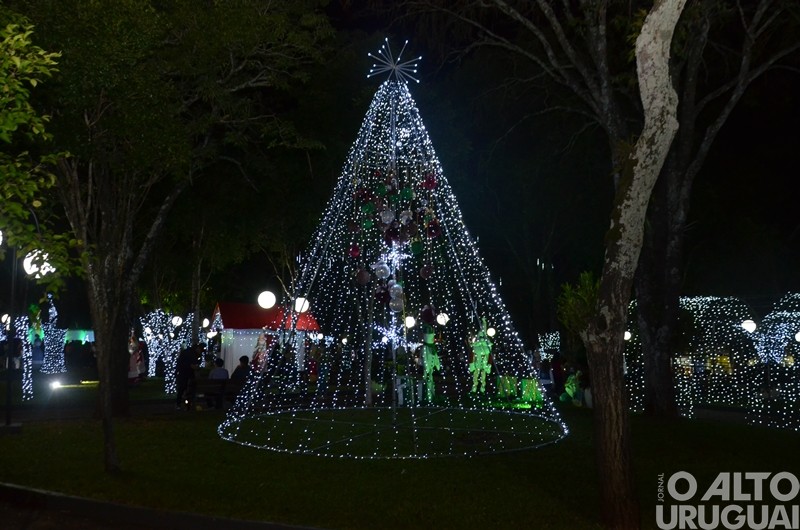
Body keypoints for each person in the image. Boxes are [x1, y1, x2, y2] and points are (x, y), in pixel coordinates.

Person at [175, 343, 202, 410]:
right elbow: (191, 365)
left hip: (183, 373)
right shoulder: (191, 354)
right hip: (186, 373)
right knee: (187, 387)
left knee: (182, 389)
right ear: (197, 349)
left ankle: (180, 404)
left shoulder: (187, 352)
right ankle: (187, 403)